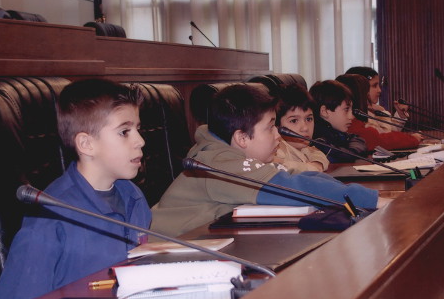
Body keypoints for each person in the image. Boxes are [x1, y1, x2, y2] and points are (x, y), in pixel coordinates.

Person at [0, 79, 152, 299]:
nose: (140, 141)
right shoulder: (50, 216)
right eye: (124, 132)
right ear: (86, 144)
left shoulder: (133, 196)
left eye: (138, 129)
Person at [151, 84, 388, 237]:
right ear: (242, 137)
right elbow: (295, 188)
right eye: (271, 127)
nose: (278, 135)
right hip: (158, 255)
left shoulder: (226, 152)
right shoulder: (218, 163)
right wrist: (376, 201)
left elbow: (302, 177)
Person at [336, 74, 421, 151]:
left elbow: (386, 134)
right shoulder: (351, 123)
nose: (379, 90)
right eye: (365, 94)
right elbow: (379, 139)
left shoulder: (353, 120)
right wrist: (412, 139)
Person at [345, 66, 418, 136]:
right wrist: (411, 138)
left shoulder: (375, 110)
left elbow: (391, 131)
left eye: (379, 85)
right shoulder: (356, 114)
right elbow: (384, 137)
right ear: (360, 88)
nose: (379, 90)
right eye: (374, 86)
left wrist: (400, 115)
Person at [274, 83, 329, 172]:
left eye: (309, 119)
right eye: (294, 121)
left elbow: (317, 153)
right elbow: (280, 166)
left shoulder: (303, 148)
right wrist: (311, 168)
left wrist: (318, 164)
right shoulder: (277, 150)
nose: (305, 128)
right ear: (277, 126)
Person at [309, 80, 368, 163]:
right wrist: (352, 153)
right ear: (324, 111)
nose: (352, 116)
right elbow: (344, 156)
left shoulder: (337, 134)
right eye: (346, 109)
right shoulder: (318, 141)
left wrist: (352, 152)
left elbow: (357, 140)